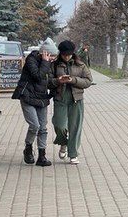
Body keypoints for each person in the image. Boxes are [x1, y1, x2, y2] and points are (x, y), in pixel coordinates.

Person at [49, 40, 93, 165]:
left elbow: (88, 81)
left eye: (69, 54)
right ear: (60, 54)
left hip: (76, 100)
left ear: (73, 53)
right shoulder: (55, 65)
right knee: (59, 125)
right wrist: (58, 81)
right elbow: (47, 82)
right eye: (64, 55)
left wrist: (73, 80)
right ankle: (63, 143)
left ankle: (73, 153)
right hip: (60, 98)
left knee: (75, 127)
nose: (66, 57)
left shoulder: (80, 65)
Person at [15, 39, 57, 167]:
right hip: (27, 96)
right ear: (45, 54)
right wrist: (45, 62)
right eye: (52, 56)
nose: (53, 59)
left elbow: (49, 80)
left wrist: (58, 83)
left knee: (43, 128)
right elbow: (38, 76)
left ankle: (42, 156)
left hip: (41, 98)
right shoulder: (31, 60)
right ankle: (28, 148)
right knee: (35, 125)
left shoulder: (49, 63)